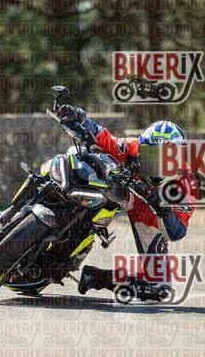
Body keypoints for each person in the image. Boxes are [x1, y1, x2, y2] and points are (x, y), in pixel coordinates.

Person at [57, 104, 195, 300]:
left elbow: (176, 232)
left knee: (160, 289)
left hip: (149, 216)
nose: (157, 166)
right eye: (151, 157)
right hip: (122, 189)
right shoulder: (133, 146)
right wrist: (80, 119)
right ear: (141, 149)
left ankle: (97, 277)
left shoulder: (186, 184)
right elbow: (107, 139)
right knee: (86, 159)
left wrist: (164, 210)